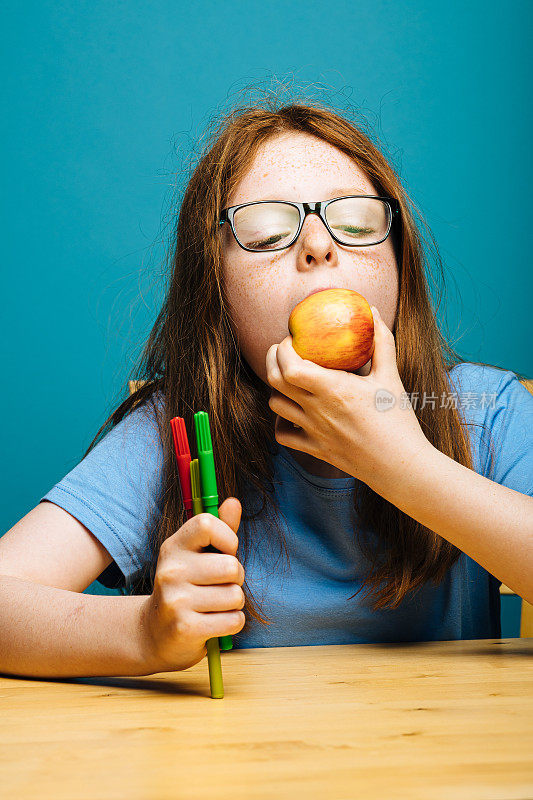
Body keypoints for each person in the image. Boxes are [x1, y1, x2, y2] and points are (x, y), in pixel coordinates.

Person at [1, 99, 532, 679]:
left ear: (400, 262)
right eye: (267, 231)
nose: (319, 245)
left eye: (355, 223)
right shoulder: (173, 432)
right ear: (216, 287)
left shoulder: (483, 412)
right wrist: (144, 631)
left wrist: (402, 465)